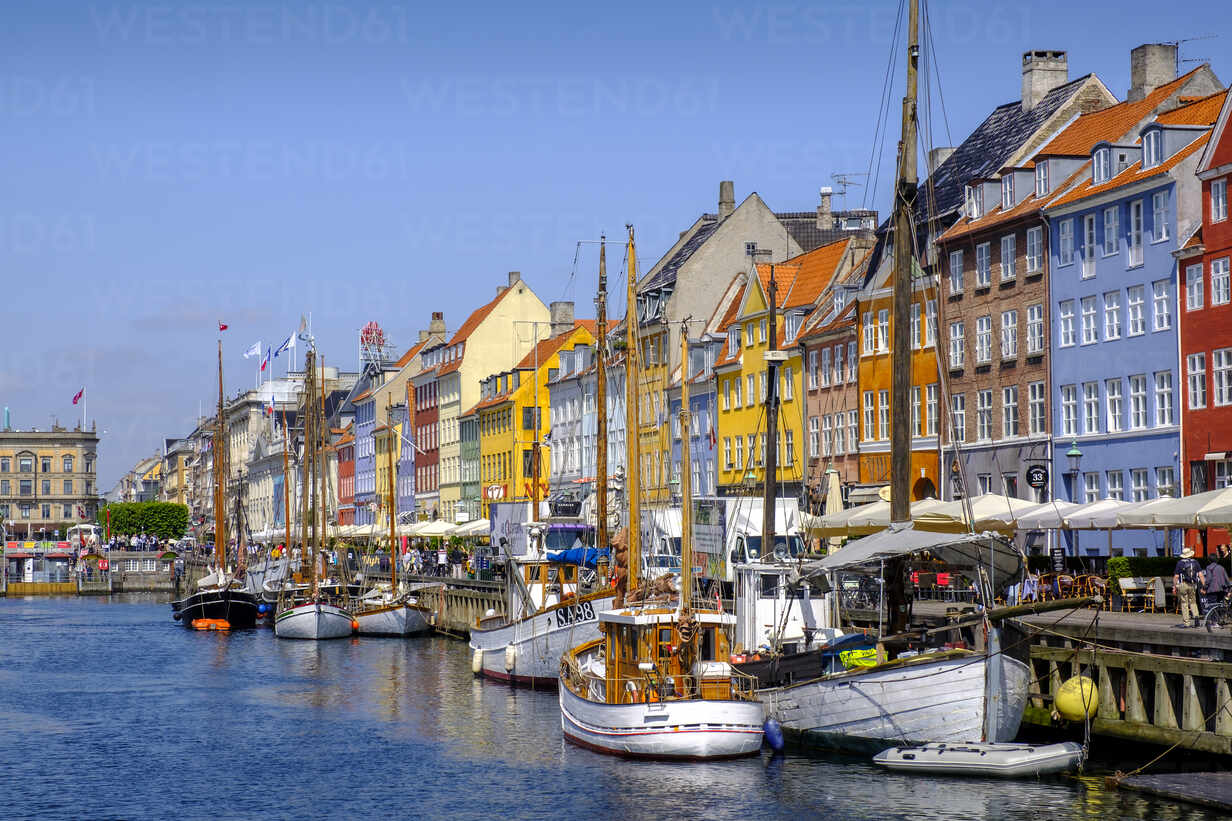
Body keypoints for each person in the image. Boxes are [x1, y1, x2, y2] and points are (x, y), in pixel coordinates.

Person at [1173, 547, 1205, 628]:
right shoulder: (1196, 562)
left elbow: (1176, 576)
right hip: (1193, 585)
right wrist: (1204, 585)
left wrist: (1174, 586)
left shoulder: (1180, 563)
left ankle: (1186, 623)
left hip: (1183, 584)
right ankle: (1196, 620)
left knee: (1184, 603)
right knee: (1193, 602)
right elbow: (1201, 575)